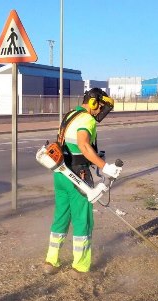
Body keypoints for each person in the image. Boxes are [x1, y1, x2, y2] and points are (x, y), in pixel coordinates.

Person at [43, 88, 119, 276]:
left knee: (61, 216)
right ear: (94, 103)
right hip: (78, 175)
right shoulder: (87, 119)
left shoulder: (71, 114)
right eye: (101, 107)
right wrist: (105, 166)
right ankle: (80, 267)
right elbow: (84, 145)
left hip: (60, 172)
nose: (101, 112)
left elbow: (73, 146)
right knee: (82, 220)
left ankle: (51, 262)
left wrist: (95, 158)